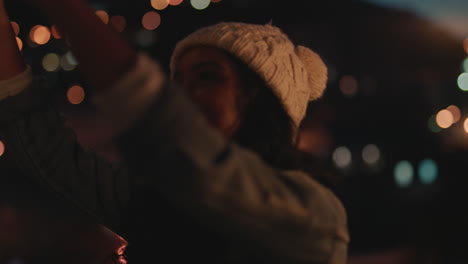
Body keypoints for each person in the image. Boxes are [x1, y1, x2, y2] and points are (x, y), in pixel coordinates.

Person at [0, 0, 349, 263]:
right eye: (176, 81)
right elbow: (43, 143)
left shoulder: (313, 217)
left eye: (208, 76)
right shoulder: (159, 201)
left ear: (262, 104)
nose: (183, 95)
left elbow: (169, 128)